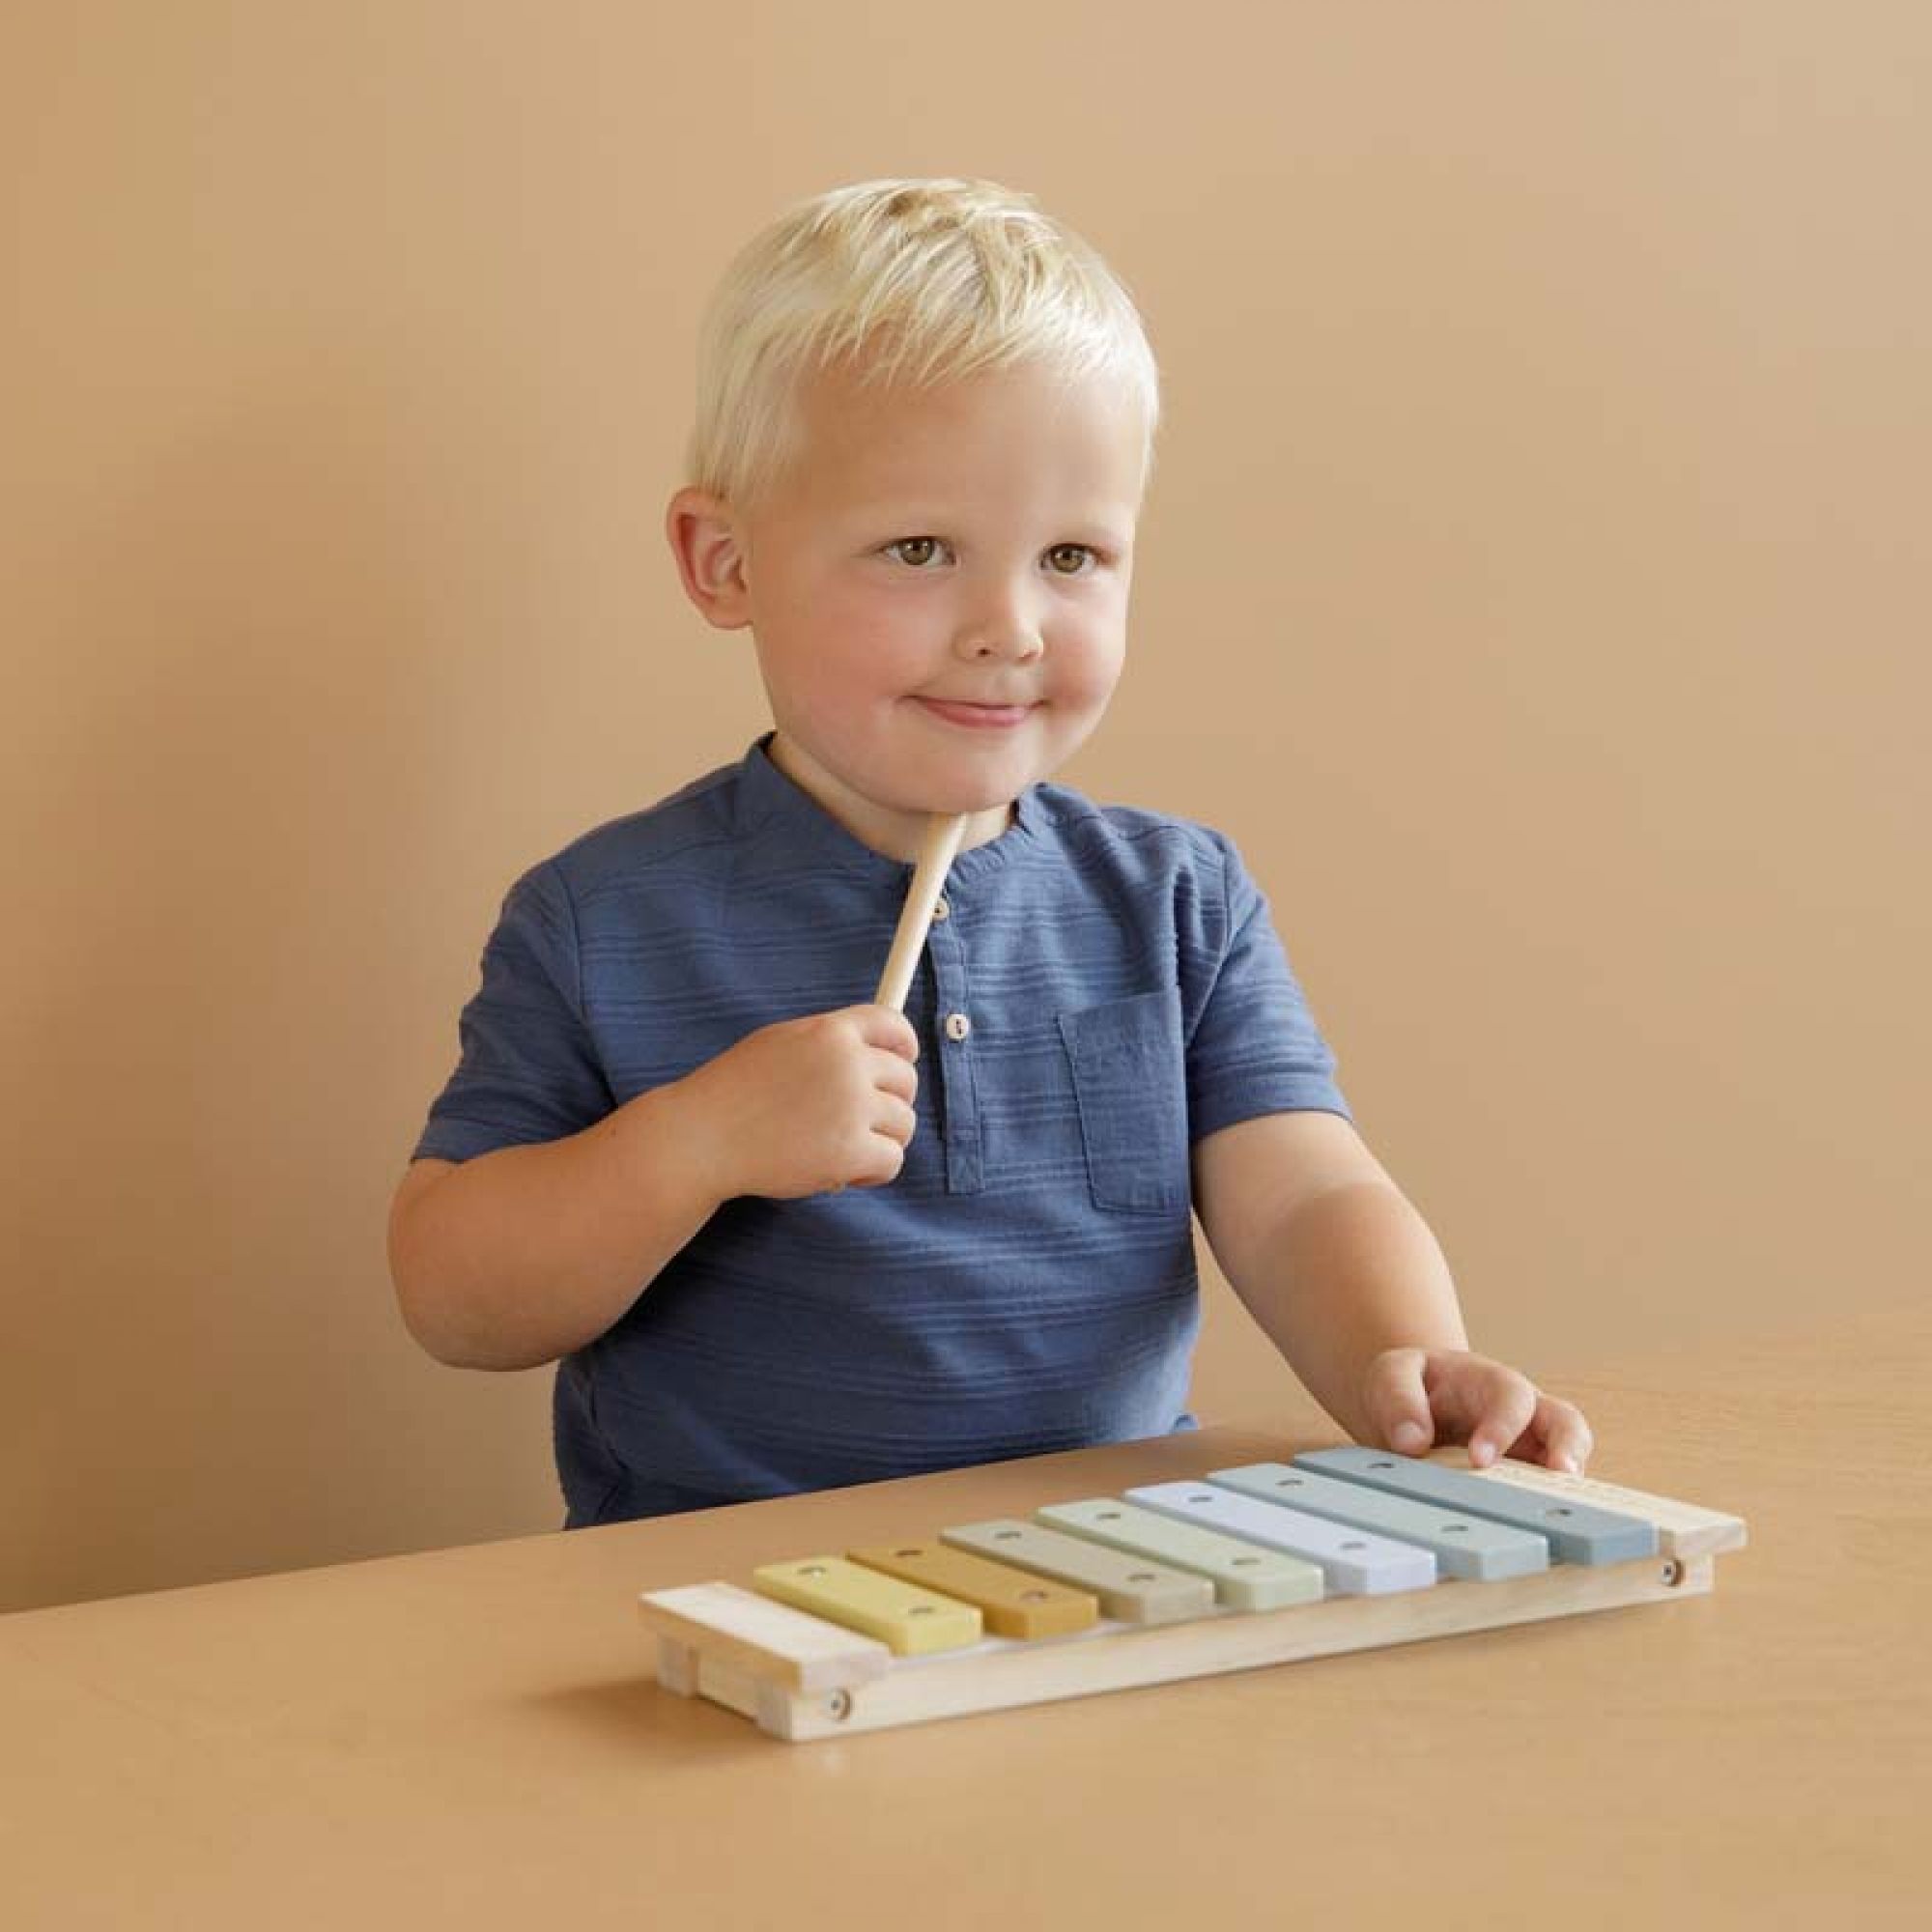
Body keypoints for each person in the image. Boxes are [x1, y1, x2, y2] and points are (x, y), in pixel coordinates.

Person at [387, 177, 1593, 1527]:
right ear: (725, 563)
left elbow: (1303, 1194)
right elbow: (454, 1296)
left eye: (1073, 556)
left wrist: (1408, 1361)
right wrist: (694, 1142)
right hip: (718, 1593)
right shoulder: (600, 916)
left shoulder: (1178, 900)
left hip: (1106, 1565)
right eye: (919, 548)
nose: (1010, 625)